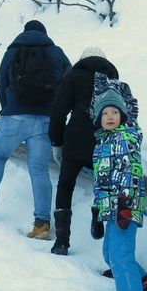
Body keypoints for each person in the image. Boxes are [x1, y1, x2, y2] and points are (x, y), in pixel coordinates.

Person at [0, 20, 70, 239]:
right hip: (45, 118)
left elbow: (2, 82)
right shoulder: (55, 52)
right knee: (39, 170)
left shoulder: (13, 50)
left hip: (14, 115)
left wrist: (8, 107)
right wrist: (55, 111)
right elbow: (67, 83)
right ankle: (42, 224)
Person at [90, 79, 147, 291]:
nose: (109, 116)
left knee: (120, 255)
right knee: (110, 253)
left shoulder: (125, 138)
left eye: (115, 112)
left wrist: (125, 207)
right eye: (105, 113)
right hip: (111, 207)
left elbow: (130, 173)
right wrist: (98, 210)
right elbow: (102, 179)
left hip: (124, 206)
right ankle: (145, 285)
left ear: (122, 115)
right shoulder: (103, 141)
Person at [47, 46, 121, 255]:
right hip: (103, 141)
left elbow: (58, 111)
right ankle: (97, 216)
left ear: (83, 59)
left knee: (66, 185)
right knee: (102, 183)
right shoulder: (113, 81)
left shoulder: (73, 77)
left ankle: (62, 240)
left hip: (76, 140)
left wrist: (56, 142)